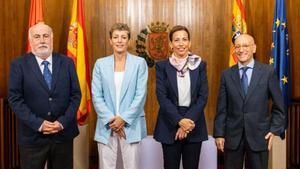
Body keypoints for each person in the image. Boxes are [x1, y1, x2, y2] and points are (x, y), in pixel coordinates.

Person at [8, 23, 81, 169]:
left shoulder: (67, 63)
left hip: (63, 135)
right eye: (37, 36)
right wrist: (39, 124)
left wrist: (61, 123)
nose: (42, 40)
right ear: (31, 41)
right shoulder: (18, 65)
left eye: (46, 36)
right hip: (32, 137)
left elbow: (76, 95)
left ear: (52, 39)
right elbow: (15, 99)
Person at [213, 34, 285, 169]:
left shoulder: (268, 72)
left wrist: (274, 129)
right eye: (238, 46)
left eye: (245, 46)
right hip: (232, 137)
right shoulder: (226, 75)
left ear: (254, 48)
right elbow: (221, 108)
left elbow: (279, 106)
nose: (241, 50)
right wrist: (219, 134)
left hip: (259, 136)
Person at [92, 23, 148, 169]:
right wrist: (113, 121)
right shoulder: (100, 64)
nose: (119, 40)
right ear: (110, 40)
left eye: (123, 37)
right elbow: (97, 95)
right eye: (116, 37)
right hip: (107, 125)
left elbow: (140, 96)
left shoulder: (139, 63)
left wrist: (123, 119)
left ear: (128, 41)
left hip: (131, 125)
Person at [153, 25, 208, 169]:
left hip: (194, 124)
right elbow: (162, 97)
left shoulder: (200, 65)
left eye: (184, 39)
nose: (181, 43)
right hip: (169, 125)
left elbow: (203, 96)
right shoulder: (162, 66)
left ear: (189, 43)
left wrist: (186, 123)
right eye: (176, 40)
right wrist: (179, 121)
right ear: (171, 44)